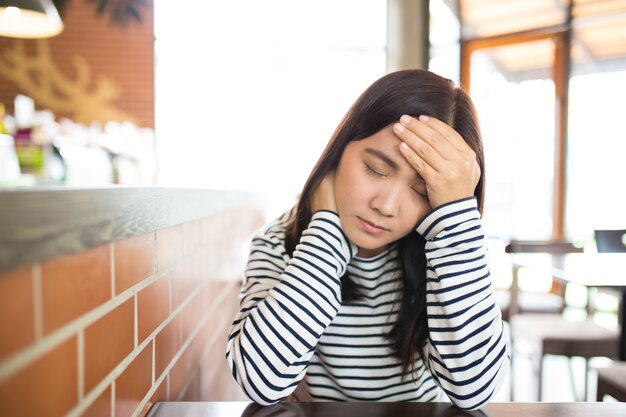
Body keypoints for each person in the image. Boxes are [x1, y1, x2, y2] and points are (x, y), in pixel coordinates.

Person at [225, 69, 510, 410]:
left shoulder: (448, 249)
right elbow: (261, 382)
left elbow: (476, 391)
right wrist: (325, 234)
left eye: (422, 191)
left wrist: (458, 217)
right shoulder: (280, 242)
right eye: (375, 169)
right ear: (338, 151)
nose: (386, 206)